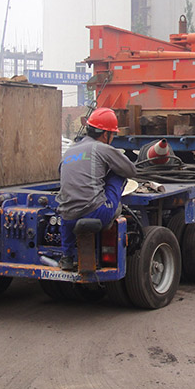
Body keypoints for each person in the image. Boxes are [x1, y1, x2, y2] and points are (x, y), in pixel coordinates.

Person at [57, 107, 137, 271]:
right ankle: (115, 208)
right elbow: (131, 171)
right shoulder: (103, 148)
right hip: (96, 212)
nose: (112, 138)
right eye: (112, 134)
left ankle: (66, 257)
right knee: (118, 174)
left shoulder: (70, 151)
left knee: (68, 211)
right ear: (105, 134)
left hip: (67, 216)